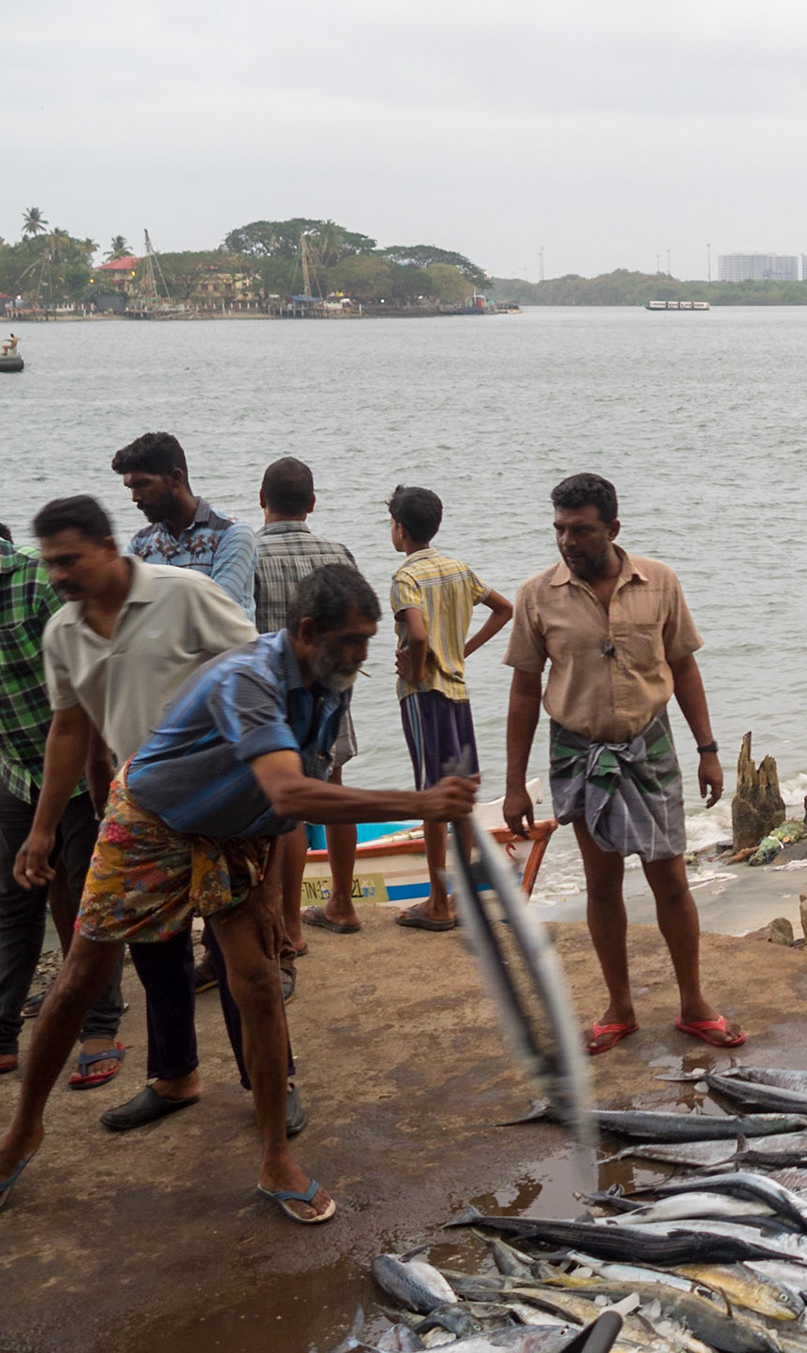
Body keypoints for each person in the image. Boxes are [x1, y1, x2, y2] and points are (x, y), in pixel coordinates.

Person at [0, 564, 478, 1223]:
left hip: (235, 836)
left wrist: (276, 905)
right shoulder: (246, 679)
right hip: (152, 821)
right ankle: (22, 1131)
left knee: (256, 982)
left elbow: (291, 800)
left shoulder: (329, 679)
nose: (364, 654)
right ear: (308, 631)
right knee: (82, 975)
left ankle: (275, 1158)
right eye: (353, 640)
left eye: (369, 640)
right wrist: (420, 801)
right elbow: (290, 791)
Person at [25, 495, 271, 1135]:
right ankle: (175, 1076)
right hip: (141, 809)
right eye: (50, 563)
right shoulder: (64, 631)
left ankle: (271, 1084)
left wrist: (265, 791)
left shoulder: (184, 594)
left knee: (242, 954)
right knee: (154, 947)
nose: (58, 576)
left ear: (109, 547)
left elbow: (257, 674)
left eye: (69, 559)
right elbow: (71, 730)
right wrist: (45, 827)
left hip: (219, 800)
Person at [502, 473, 738, 1051]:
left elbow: (682, 666)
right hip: (578, 752)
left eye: (580, 530)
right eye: (559, 529)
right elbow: (525, 690)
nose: (567, 541)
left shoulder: (658, 583)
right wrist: (513, 784)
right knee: (600, 883)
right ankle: (619, 1007)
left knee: (670, 879)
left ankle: (693, 1005)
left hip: (649, 745)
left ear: (612, 528)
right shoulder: (537, 594)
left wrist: (708, 750)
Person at [0, 530, 128, 1092]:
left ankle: (99, 1024)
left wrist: (101, 776)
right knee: (13, 899)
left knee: (88, 893)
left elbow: (89, 684)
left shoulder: (35, 582)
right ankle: (4, 1031)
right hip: (11, 767)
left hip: (75, 766)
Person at [387, 485, 512, 932]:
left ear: (399, 529)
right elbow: (504, 609)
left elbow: (417, 635)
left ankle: (438, 901)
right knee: (459, 796)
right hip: (458, 693)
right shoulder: (458, 569)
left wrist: (418, 671)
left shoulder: (407, 578)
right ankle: (461, 896)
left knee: (432, 796)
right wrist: (461, 651)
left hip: (424, 698)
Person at [252, 457, 364, 953]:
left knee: (286, 809)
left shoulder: (248, 554)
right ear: (312, 503)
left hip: (274, 693)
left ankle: (289, 927)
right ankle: (343, 902)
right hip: (334, 688)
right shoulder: (337, 553)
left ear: (262, 501)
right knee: (334, 785)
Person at [113, 431, 257, 618]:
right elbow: (124, 607)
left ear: (175, 478)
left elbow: (217, 610)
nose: (135, 497)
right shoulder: (142, 542)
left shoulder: (231, 535)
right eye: (130, 488)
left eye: (143, 484)